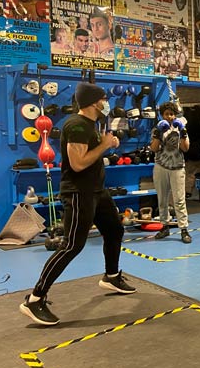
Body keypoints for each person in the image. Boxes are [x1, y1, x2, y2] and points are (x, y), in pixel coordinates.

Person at [19, 83, 135, 326]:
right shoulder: (76, 125)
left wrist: (106, 145)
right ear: (94, 102)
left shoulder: (91, 126)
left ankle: (111, 276)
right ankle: (35, 298)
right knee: (72, 246)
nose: (107, 103)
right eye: (104, 99)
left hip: (97, 191)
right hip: (79, 194)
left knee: (115, 229)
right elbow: (79, 163)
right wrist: (105, 145)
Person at [150, 102, 192, 244]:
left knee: (179, 200)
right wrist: (157, 134)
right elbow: (154, 149)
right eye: (166, 114)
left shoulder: (181, 127)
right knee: (162, 199)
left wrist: (184, 134)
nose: (169, 117)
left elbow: (185, 148)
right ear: (162, 115)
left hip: (177, 167)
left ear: (175, 115)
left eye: (171, 114)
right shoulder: (159, 128)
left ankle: (184, 229)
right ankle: (164, 226)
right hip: (161, 166)